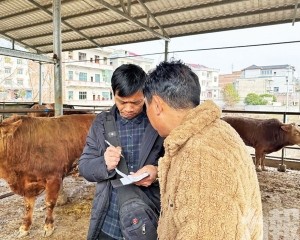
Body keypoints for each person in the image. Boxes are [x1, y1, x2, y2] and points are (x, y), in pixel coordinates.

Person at [143, 60, 263, 240]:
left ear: (158, 105)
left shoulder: (200, 155)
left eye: (146, 106)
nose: (147, 113)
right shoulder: (214, 132)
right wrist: (159, 172)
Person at [79, 64, 164, 240]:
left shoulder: (157, 123)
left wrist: (157, 172)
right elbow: (85, 167)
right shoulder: (101, 123)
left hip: (147, 214)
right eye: (122, 101)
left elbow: (173, 161)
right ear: (113, 94)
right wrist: (104, 163)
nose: (128, 108)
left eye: (136, 102)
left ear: (145, 96)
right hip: (109, 216)